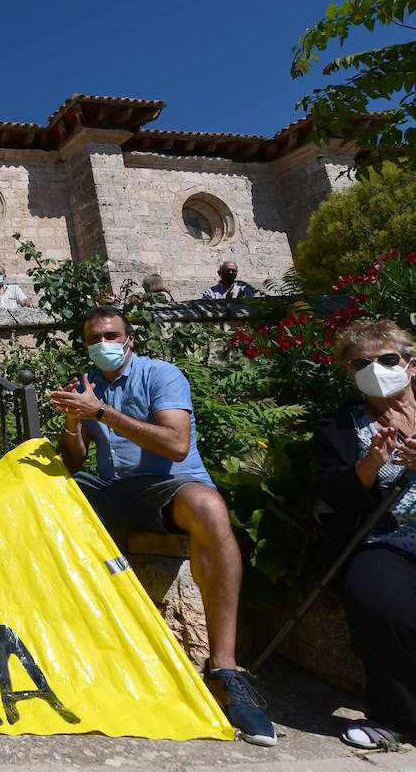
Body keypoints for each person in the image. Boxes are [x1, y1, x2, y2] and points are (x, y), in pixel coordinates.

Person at [49, 304, 274, 746]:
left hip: (169, 485)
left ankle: (225, 670)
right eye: (93, 338)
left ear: (130, 339)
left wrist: (102, 414)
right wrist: (73, 423)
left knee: (211, 509)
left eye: (111, 336)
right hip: (115, 489)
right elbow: (73, 461)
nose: (102, 345)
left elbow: (176, 444)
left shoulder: (162, 375)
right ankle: (73, 652)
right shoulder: (87, 385)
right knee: (48, 496)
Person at [311, 320, 416, 749]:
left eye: (388, 359)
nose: (376, 368)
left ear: (411, 365)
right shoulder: (338, 426)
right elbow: (331, 497)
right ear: (349, 373)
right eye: (362, 363)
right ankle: (394, 717)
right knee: (379, 601)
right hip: (381, 539)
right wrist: (370, 463)